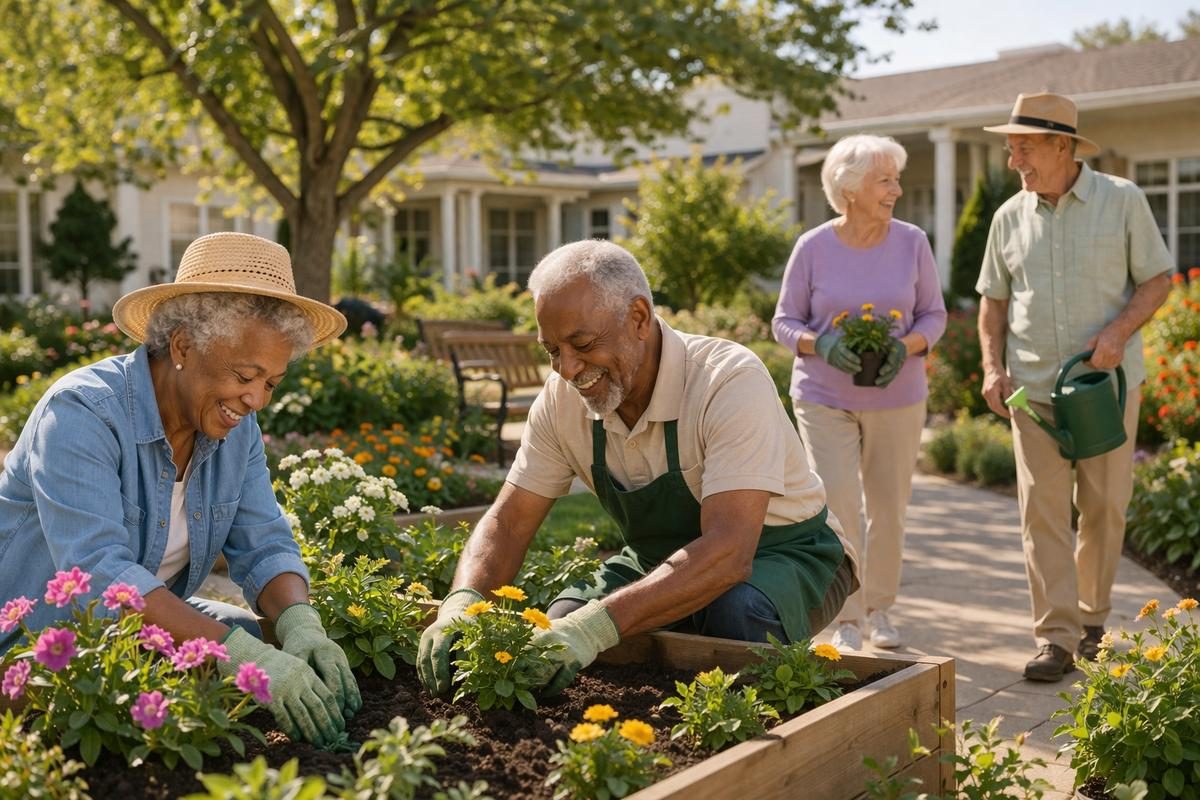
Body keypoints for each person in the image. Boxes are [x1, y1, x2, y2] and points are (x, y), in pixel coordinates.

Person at [417, 239, 860, 697]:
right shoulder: (560, 400)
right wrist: (462, 604)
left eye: (582, 343)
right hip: (660, 559)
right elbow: (508, 524)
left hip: (788, 552)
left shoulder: (726, 380)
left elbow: (730, 551)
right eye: (551, 351)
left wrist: (595, 630)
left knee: (734, 613)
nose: (567, 369)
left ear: (639, 318)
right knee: (564, 616)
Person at [0, 232, 361, 744]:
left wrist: (303, 625)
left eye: (272, 383)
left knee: (253, 629)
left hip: (124, 644)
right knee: (240, 650)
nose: (256, 398)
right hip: (32, 647)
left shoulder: (236, 432)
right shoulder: (81, 413)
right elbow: (103, 574)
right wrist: (243, 657)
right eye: (245, 374)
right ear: (184, 345)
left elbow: (265, 541)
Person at [977, 92, 1173, 681]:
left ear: (1062, 146)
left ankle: (1092, 618)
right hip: (1033, 391)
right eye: (1011, 149)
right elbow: (992, 302)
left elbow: (1158, 279)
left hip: (1104, 389)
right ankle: (1056, 638)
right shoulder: (1008, 216)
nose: (1015, 161)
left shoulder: (1122, 200)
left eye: (1025, 148)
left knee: (1105, 507)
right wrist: (991, 365)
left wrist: (1118, 332)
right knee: (1041, 514)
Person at [772, 134, 946, 652]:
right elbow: (783, 321)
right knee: (840, 503)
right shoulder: (813, 247)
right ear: (850, 188)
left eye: (896, 178)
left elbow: (933, 314)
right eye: (885, 179)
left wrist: (909, 346)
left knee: (889, 506)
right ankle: (847, 618)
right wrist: (819, 342)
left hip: (899, 395)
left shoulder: (912, 242)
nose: (897, 188)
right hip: (824, 396)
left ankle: (882, 610)